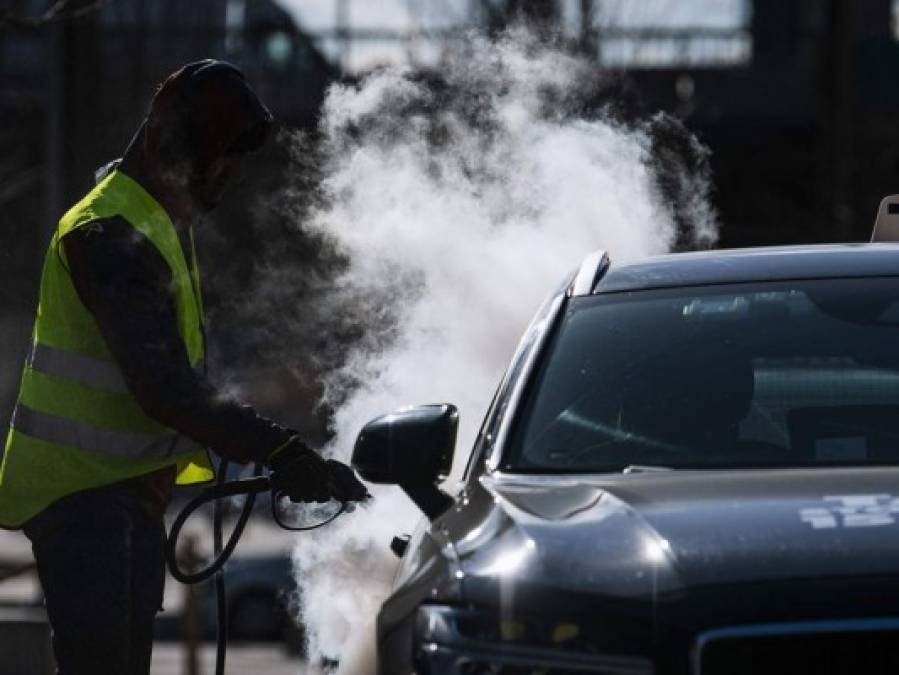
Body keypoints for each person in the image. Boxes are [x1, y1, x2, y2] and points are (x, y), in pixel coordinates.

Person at [0, 60, 368, 674]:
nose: (230, 172)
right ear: (170, 149)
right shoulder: (108, 235)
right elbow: (166, 388)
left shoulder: (154, 221)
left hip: (121, 497)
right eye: (216, 157)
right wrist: (280, 451)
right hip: (81, 500)